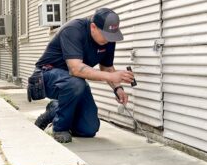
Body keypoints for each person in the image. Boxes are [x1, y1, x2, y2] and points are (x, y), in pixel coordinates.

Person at [34, 8, 134, 143]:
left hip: (74, 82)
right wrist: (112, 77)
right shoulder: (73, 30)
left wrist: (118, 88)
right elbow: (75, 69)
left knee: (89, 128)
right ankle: (60, 128)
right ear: (93, 27)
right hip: (48, 75)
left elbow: (107, 67)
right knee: (75, 83)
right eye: (105, 35)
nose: (109, 40)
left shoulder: (108, 39)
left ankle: (57, 109)